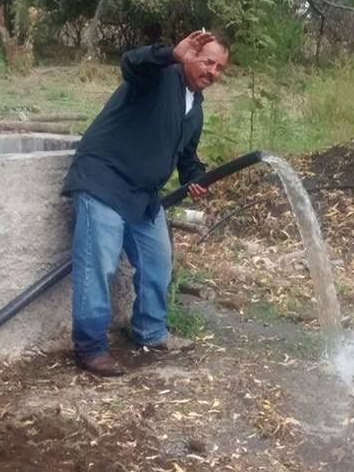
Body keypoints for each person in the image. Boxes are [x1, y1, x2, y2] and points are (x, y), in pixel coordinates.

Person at [62, 29, 229, 377]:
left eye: (220, 68)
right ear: (190, 56)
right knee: (100, 266)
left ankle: (151, 331)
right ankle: (90, 348)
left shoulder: (194, 106)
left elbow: (186, 156)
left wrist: (195, 177)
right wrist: (170, 53)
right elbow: (131, 64)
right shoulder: (157, 76)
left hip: (142, 195)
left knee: (158, 261)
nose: (212, 72)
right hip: (103, 180)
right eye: (207, 61)